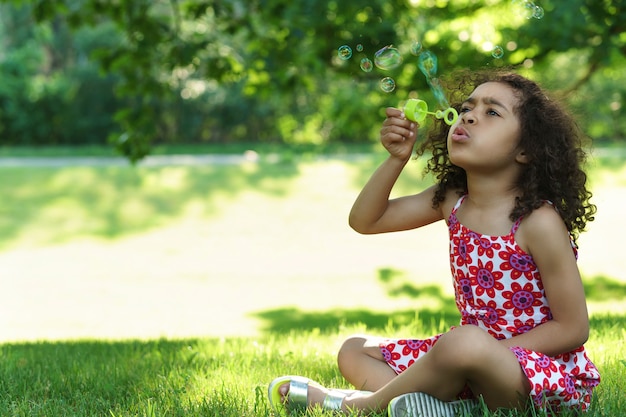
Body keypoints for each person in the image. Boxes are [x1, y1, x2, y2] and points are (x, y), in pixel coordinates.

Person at [268, 69, 601, 416]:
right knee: (354, 350)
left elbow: (573, 328)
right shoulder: (452, 200)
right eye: (467, 107)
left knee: (463, 341)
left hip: (538, 376)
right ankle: (449, 409)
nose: (468, 115)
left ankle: (360, 405)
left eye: (492, 112)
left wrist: (488, 354)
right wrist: (397, 158)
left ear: (526, 150)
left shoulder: (538, 221)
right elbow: (366, 221)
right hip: (465, 358)